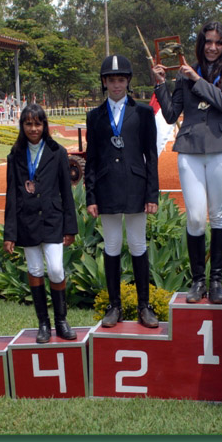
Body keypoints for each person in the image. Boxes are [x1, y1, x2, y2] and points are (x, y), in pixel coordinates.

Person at [151, 21, 222, 304]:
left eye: (218, 42)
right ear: (200, 44)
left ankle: (215, 281)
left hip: (220, 149)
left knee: (217, 216)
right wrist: (160, 83)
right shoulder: (183, 73)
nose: (213, 47)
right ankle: (198, 280)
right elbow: (169, 114)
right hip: (190, 150)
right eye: (208, 42)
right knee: (194, 217)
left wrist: (195, 79)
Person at [85, 54, 160, 328]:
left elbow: (150, 155)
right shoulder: (94, 116)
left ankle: (144, 305)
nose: (116, 84)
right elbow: (91, 157)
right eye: (110, 79)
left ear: (128, 81)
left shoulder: (142, 112)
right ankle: (114, 305)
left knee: (138, 245)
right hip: (107, 188)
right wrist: (91, 196)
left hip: (136, 187)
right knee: (113, 246)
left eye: (120, 79)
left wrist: (152, 194)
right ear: (104, 82)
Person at [3, 104, 78, 343]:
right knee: (35, 270)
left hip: (53, 219)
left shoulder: (57, 152)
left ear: (44, 125)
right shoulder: (15, 155)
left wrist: (70, 227)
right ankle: (43, 324)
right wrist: (10, 233)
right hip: (27, 221)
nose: (33, 129)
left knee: (55, 269)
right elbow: (12, 195)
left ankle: (61, 321)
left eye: (37, 123)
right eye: (28, 124)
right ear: (22, 126)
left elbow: (66, 191)